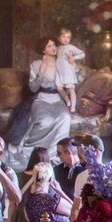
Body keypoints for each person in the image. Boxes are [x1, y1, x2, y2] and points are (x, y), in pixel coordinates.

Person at [8, 37, 72, 172]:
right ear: (43, 50)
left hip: (57, 99)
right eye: (49, 46)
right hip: (41, 99)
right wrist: (41, 72)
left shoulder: (62, 63)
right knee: (44, 121)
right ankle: (34, 153)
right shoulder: (36, 65)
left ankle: (56, 155)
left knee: (65, 118)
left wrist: (69, 102)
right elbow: (33, 88)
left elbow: (66, 85)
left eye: (54, 44)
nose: (53, 47)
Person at [54, 25, 85, 113]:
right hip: (59, 71)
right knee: (59, 88)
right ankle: (67, 101)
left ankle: (73, 107)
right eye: (63, 37)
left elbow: (82, 54)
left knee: (71, 89)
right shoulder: (58, 48)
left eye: (68, 37)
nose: (66, 39)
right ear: (59, 38)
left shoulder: (71, 47)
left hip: (67, 71)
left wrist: (73, 58)